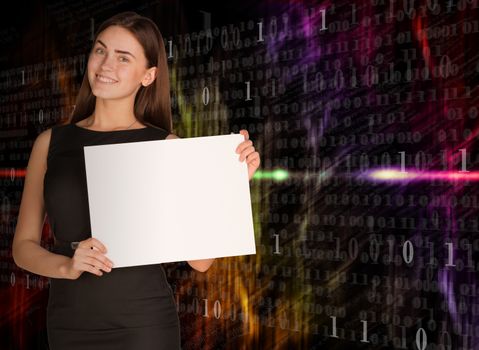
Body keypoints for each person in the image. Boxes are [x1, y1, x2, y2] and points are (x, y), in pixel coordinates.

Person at [12, 11, 260, 350]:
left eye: (123, 57)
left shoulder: (164, 146)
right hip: (69, 325)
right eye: (100, 50)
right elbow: (23, 247)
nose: (105, 64)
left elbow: (200, 262)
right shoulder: (50, 143)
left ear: (148, 76)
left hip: (144, 325)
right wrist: (67, 266)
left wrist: (231, 184)